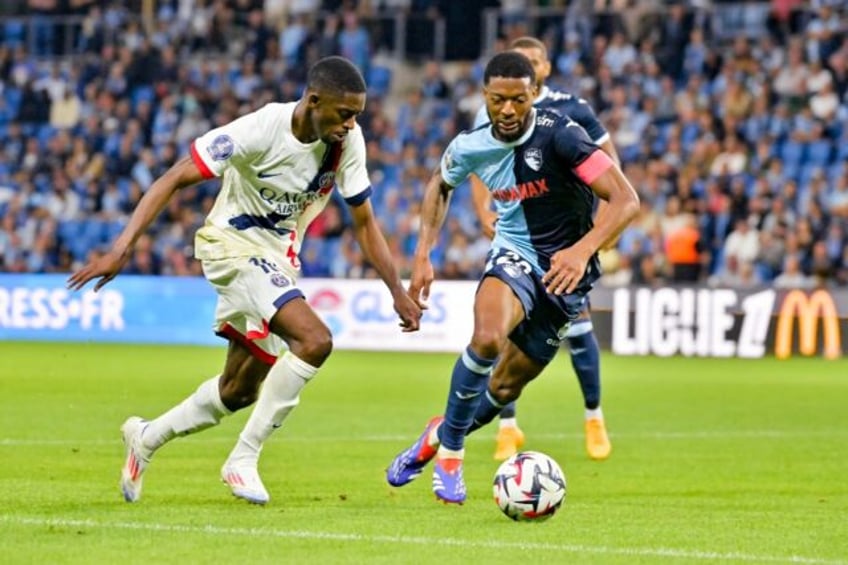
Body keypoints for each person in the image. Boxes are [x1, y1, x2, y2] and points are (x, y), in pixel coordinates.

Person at [67, 56, 422, 506]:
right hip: (229, 246)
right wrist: (122, 247)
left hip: (277, 261)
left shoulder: (346, 143)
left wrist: (396, 289)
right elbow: (176, 176)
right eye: (344, 113)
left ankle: (145, 438)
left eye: (357, 115)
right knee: (314, 340)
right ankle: (243, 458)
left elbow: (365, 222)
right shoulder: (260, 129)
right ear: (313, 101)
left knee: (237, 390)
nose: (352, 124)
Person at [385, 52, 639, 504]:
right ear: (484, 96)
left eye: (518, 100)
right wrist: (423, 254)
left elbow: (625, 200)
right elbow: (440, 185)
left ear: (533, 96)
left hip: (568, 275)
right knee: (486, 339)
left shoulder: (562, 136)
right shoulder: (470, 144)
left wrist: (582, 252)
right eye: (497, 100)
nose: (507, 110)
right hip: (514, 254)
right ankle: (451, 457)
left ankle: (439, 431)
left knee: (502, 388)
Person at [470, 36, 621, 462]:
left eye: (535, 62)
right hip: (519, 238)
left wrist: (604, 231)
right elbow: (478, 162)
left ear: (546, 69)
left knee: (578, 328)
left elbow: (613, 166)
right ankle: (507, 427)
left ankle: (594, 417)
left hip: (566, 243)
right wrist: (483, 208)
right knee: (500, 329)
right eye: (523, 61)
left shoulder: (573, 111)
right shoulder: (504, 108)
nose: (529, 67)